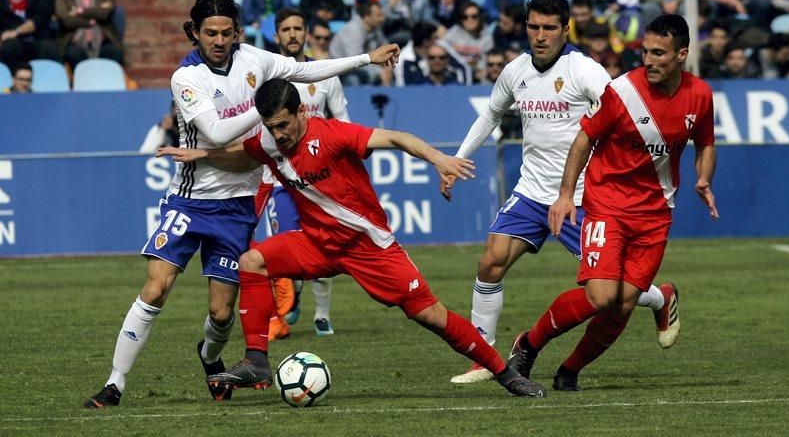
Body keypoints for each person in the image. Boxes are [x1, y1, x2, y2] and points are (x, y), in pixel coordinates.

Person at [83, 0, 400, 409]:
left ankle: (210, 357)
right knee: (156, 289)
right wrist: (267, 99)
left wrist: (365, 59)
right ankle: (115, 383)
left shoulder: (255, 59)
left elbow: (305, 70)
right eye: (209, 33)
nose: (218, 40)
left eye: (226, 33)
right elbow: (215, 133)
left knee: (220, 314)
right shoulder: (186, 78)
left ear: (237, 33)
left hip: (238, 205)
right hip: (190, 200)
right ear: (194, 33)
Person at [158, 77, 549, 399]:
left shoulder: (332, 135)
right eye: (271, 127)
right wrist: (204, 155)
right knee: (252, 262)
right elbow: (242, 154)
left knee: (431, 315)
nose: (279, 134)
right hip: (315, 243)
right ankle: (256, 359)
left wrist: (439, 159)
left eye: (284, 124)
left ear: (301, 111)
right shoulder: (268, 141)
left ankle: (505, 373)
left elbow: (395, 138)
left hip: (369, 248)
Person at [444, 0, 677, 385]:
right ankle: (483, 357)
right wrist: (457, 159)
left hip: (584, 198)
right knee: (490, 262)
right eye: (533, 26)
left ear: (565, 29)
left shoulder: (586, 72)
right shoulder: (515, 70)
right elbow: (490, 114)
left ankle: (659, 296)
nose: (540, 35)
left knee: (614, 292)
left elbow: (622, 117)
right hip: (533, 192)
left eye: (549, 28)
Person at [510, 14, 717, 392]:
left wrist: (704, 178)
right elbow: (583, 140)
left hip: (656, 214)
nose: (650, 60)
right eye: (645, 52)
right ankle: (528, 344)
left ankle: (569, 371)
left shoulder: (700, 95)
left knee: (622, 304)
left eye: (659, 53)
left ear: (682, 54)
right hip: (607, 206)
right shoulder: (621, 91)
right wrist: (564, 195)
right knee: (601, 296)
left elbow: (705, 142)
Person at [258, 8, 352, 338]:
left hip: (320, 176)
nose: (293, 34)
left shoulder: (325, 74)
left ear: (307, 33)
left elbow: (342, 120)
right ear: (277, 35)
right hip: (280, 178)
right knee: (287, 244)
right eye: (286, 29)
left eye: (299, 27)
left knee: (324, 245)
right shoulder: (266, 81)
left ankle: (322, 316)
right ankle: (292, 293)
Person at [54, 0, 123, 68]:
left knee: (114, 51)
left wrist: (80, 11)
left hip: (102, 41)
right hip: (74, 41)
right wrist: (91, 20)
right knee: (73, 54)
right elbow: (67, 20)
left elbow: (104, 14)